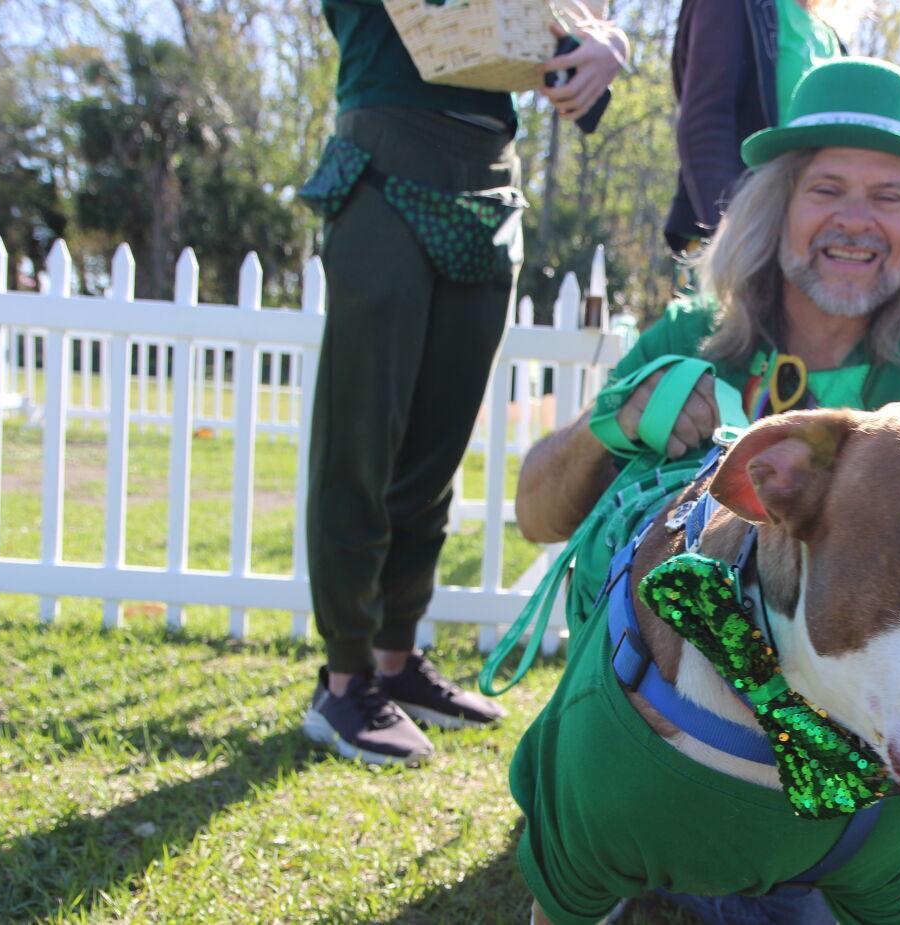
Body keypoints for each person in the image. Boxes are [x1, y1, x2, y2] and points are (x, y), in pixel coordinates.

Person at [515, 56, 900, 925]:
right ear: (778, 209)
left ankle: (723, 874)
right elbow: (535, 514)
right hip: (698, 720)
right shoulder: (693, 334)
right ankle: (680, 853)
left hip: (888, 715)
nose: (856, 220)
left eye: (888, 196)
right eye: (827, 188)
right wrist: (609, 423)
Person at [296, 0, 629, 766]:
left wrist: (606, 40)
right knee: (360, 439)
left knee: (437, 447)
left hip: (490, 174)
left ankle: (395, 659)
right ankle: (343, 681)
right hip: (386, 157)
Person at [664, 0, 853, 256]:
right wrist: (742, 241)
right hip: (741, 242)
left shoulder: (828, 32)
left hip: (812, 246)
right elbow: (706, 125)